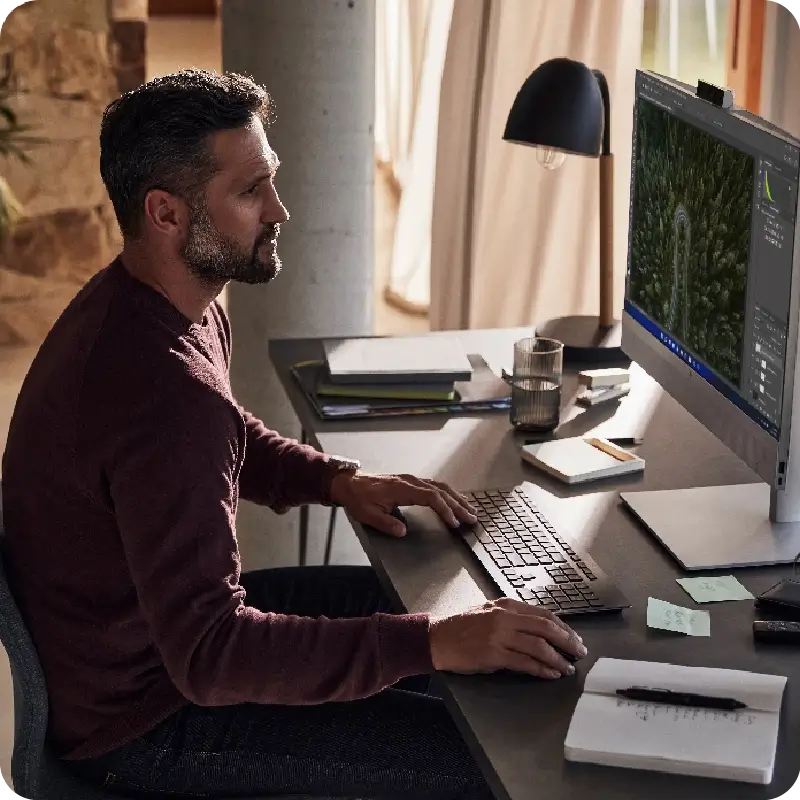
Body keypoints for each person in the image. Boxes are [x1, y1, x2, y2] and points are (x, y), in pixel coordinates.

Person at [0, 69, 587, 799]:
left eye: (270, 180)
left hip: (146, 653)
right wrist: (431, 644)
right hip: (148, 722)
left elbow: (218, 434)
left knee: (442, 627)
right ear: (166, 213)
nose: (280, 208)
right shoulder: (160, 389)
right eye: (249, 192)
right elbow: (214, 655)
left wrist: (336, 479)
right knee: (497, 761)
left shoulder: (149, 303)